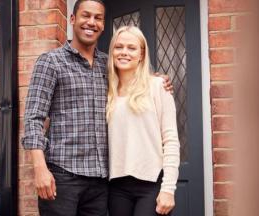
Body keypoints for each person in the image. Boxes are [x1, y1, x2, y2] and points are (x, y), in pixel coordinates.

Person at [22, 1, 172, 215]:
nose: (91, 22)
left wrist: (156, 80)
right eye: (85, 16)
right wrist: (39, 169)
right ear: (72, 20)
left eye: (98, 18)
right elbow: (33, 118)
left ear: (103, 25)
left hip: (100, 183)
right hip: (63, 177)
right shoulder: (50, 62)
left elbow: (134, 83)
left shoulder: (108, 65)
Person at [106, 26, 180, 216]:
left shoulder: (158, 87)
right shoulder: (106, 91)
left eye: (131, 48)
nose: (124, 52)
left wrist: (168, 189)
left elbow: (170, 140)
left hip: (152, 185)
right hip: (116, 187)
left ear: (142, 54)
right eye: (118, 47)